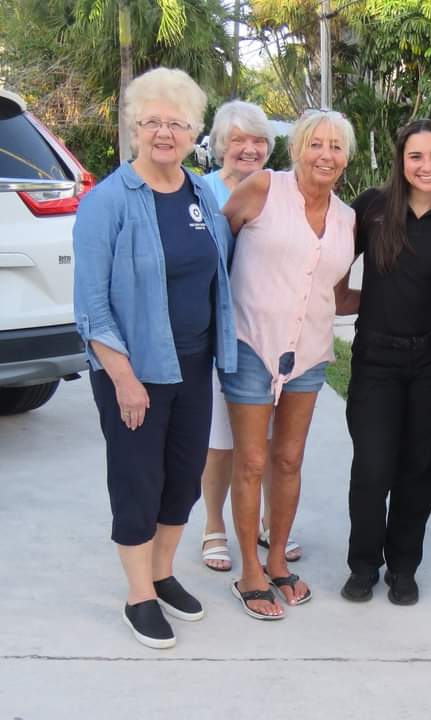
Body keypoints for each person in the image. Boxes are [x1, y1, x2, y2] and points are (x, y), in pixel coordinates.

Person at [73, 67, 237, 649]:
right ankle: (138, 595)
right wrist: (122, 377)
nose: (164, 132)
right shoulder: (107, 202)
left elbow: (217, 270)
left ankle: (163, 572)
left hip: (194, 366)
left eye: (177, 122)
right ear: (135, 127)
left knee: (183, 480)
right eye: (152, 122)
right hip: (134, 373)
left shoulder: (199, 194)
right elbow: (91, 305)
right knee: (138, 481)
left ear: (194, 131)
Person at [221, 109, 357, 619]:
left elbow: (337, 293)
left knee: (289, 459)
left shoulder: (347, 218)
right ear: (298, 148)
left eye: (336, 146)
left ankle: (277, 561)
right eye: (316, 144)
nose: (326, 154)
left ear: (346, 157)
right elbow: (218, 250)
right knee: (252, 459)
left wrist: (405, 297)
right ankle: (249, 573)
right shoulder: (261, 189)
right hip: (251, 343)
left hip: (310, 353)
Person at [338, 120, 431, 605]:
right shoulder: (372, 209)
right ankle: (362, 565)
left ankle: (403, 568)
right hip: (376, 358)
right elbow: (334, 267)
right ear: (401, 161)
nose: (426, 166)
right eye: (416, 156)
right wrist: (359, 302)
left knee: (417, 468)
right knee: (373, 468)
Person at [197, 101, 305, 572]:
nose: (249, 148)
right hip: (219, 333)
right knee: (223, 439)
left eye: (258, 140)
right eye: (238, 139)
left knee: (270, 440)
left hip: (275, 337)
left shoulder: (282, 189)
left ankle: (266, 522)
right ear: (221, 144)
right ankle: (214, 526)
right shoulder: (200, 191)